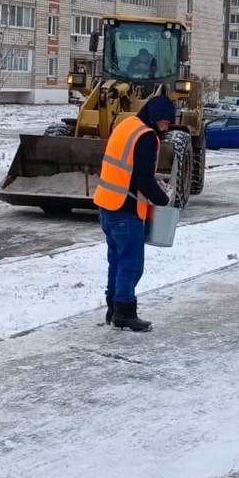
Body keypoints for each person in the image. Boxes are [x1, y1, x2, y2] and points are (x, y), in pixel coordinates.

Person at [92, 95, 175, 332]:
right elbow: (143, 179)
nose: (167, 127)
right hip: (125, 210)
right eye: (166, 122)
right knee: (132, 263)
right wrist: (163, 199)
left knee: (116, 260)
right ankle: (125, 314)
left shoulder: (127, 125)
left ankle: (113, 308)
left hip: (106, 205)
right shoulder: (147, 137)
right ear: (156, 118)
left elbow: (127, 167)